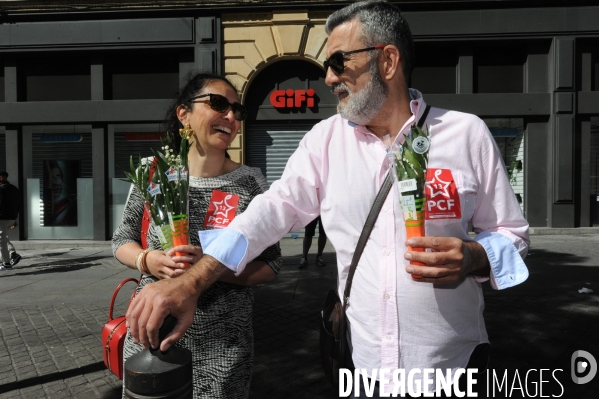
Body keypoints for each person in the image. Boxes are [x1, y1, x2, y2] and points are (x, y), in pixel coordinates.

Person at [126, 1, 529, 397]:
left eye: (339, 62)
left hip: (454, 369)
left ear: (387, 61)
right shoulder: (325, 140)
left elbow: (514, 235)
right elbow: (268, 213)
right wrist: (192, 283)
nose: (329, 78)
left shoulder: (466, 134)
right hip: (362, 370)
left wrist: (473, 256)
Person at [112, 73, 282, 399]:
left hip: (224, 346)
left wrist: (208, 269)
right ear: (184, 114)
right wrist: (147, 260)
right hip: (151, 332)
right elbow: (121, 240)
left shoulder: (250, 182)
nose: (231, 117)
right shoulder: (153, 172)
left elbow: (272, 264)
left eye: (237, 110)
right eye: (218, 104)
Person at [0, 171, 22, 270]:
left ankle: (6, 263)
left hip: (2, 218)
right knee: (4, 238)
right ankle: (11, 255)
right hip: (11, 218)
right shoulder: (14, 188)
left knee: (2, 241)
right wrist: (15, 219)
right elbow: (17, 205)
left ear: (1, 177)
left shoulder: (1, 189)